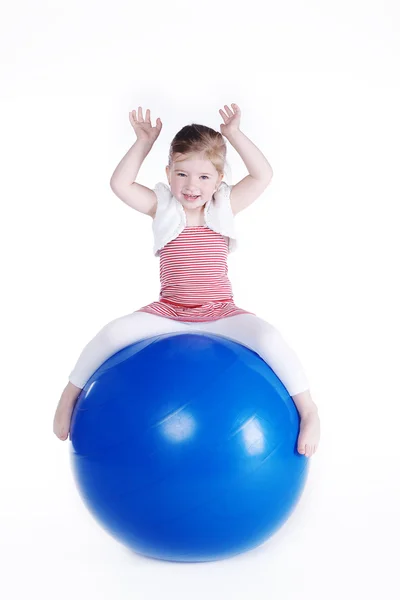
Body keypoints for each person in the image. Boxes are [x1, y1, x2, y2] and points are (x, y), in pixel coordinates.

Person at [53, 103, 320, 457]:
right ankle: (68, 397)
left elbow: (263, 175)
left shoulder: (224, 206)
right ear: (168, 172)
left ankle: (309, 410)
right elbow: (120, 184)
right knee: (112, 334)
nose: (192, 185)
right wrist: (143, 143)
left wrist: (235, 136)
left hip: (220, 313)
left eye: (204, 177)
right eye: (181, 174)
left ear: (219, 181)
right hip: (168, 311)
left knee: (269, 339)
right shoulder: (162, 208)